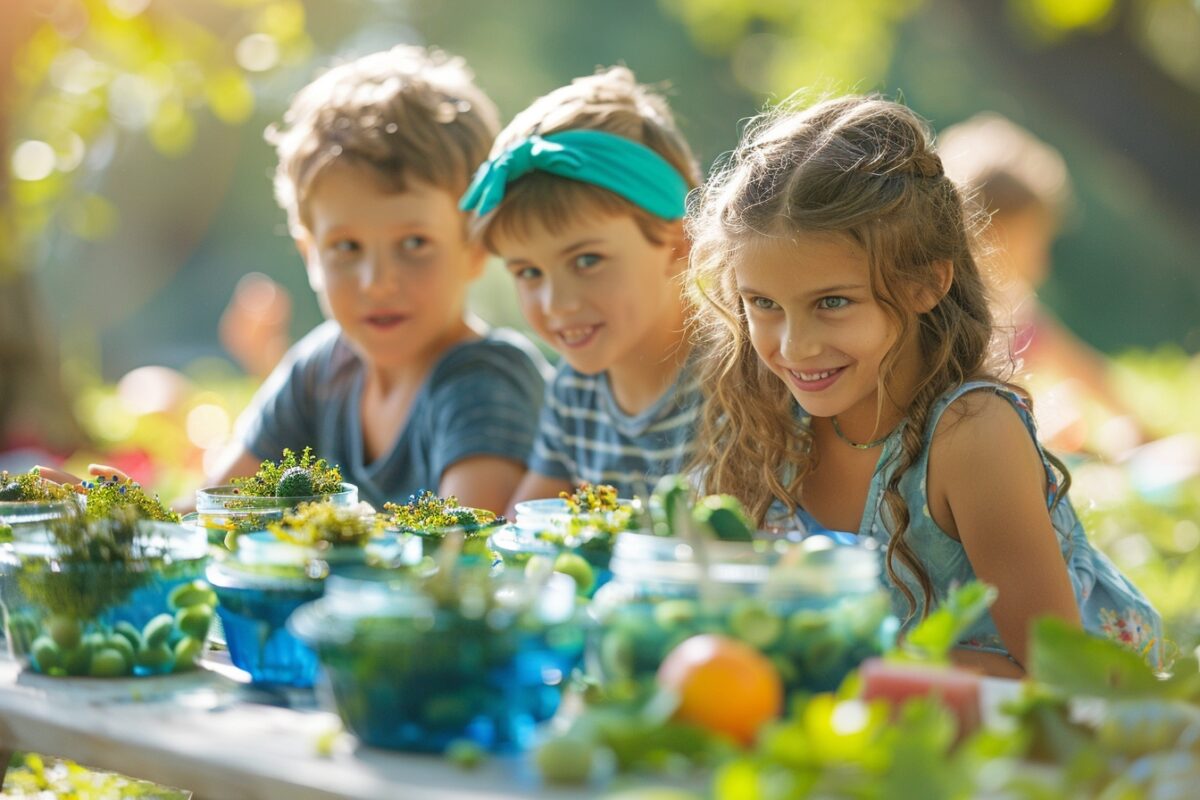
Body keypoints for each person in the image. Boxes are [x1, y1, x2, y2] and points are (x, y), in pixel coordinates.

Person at [686, 95, 1161, 676]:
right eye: (763, 304)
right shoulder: (769, 415)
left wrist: (857, 666)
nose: (794, 346)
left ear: (926, 283)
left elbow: (1060, 674)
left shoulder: (971, 436)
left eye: (832, 303)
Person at [208, 46, 549, 512]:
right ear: (310, 254)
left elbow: (461, 554)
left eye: (414, 244)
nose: (378, 282)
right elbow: (217, 508)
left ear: (475, 247)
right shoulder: (321, 369)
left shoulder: (483, 383)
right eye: (346, 248)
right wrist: (108, 508)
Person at [461, 67, 702, 503]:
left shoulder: (737, 381)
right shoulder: (575, 389)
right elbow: (524, 527)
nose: (557, 304)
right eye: (528, 272)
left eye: (586, 260)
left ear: (676, 244)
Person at [938, 113, 1142, 456]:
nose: (1043, 262)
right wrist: (1043, 428)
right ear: (991, 235)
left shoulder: (1012, 305)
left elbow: (1081, 367)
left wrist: (1136, 426)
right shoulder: (949, 317)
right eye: (1035, 242)